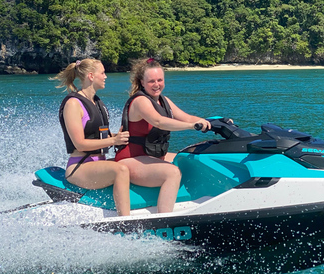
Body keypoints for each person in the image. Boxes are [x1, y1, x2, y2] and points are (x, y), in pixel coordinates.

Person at [115, 58, 211, 213]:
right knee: (172, 173)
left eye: (160, 80)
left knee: (190, 158)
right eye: (151, 81)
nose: (156, 84)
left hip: (152, 156)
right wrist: (191, 126)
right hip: (130, 159)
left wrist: (213, 122)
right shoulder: (140, 101)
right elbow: (158, 121)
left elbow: (187, 117)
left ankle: (198, 202)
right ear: (142, 82)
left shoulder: (163, 101)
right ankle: (164, 219)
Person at [52, 58, 131, 216]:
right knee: (121, 170)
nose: (105, 76)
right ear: (91, 76)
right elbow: (80, 144)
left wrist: (120, 136)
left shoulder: (97, 102)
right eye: (102, 73)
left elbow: (103, 137)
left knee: (131, 165)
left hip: (97, 164)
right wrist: (113, 140)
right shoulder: (73, 104)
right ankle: (125, 221)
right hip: (79, 167)